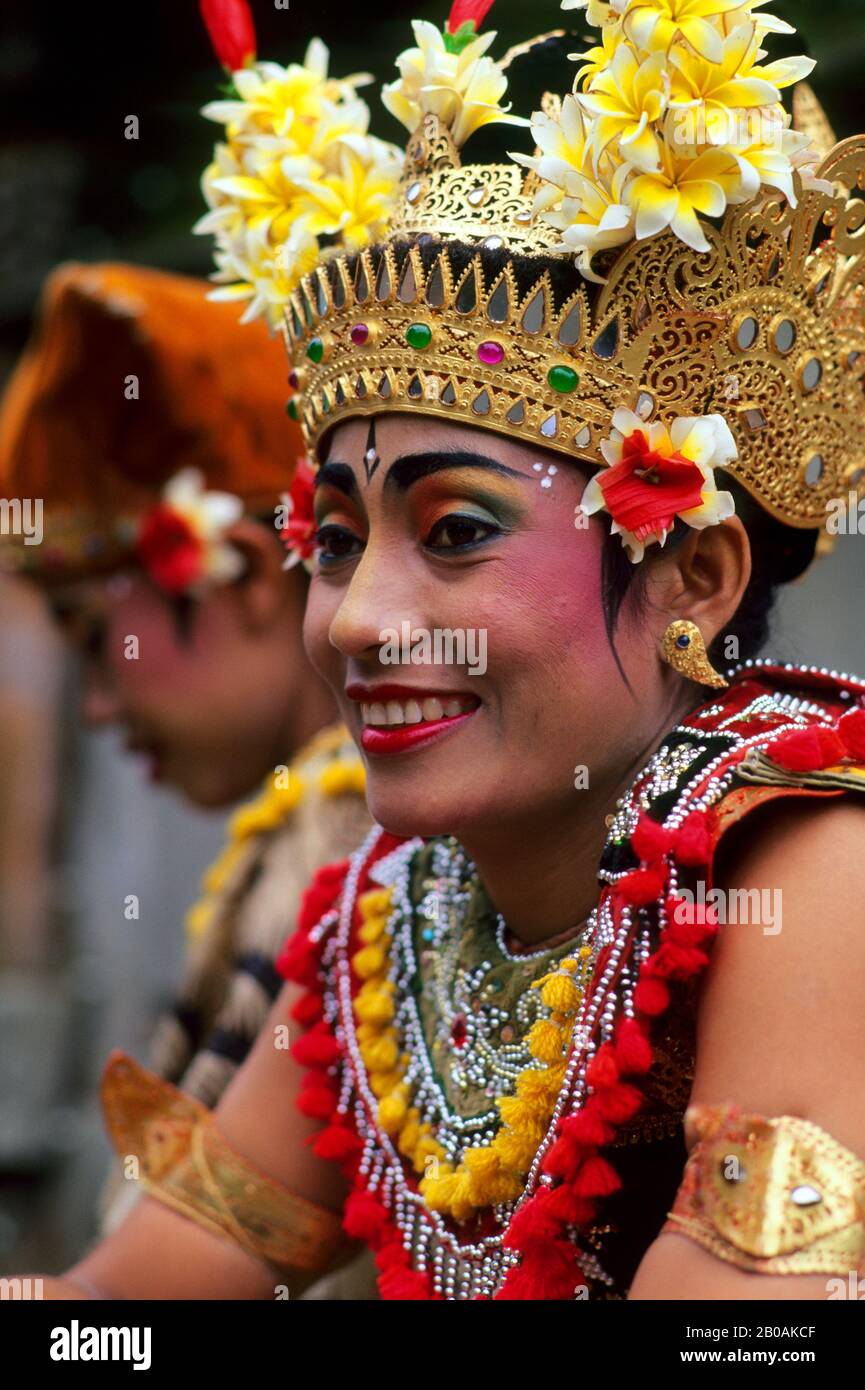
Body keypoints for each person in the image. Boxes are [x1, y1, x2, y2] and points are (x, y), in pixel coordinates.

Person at [26, 0, 865, 1299]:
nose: (354, 617)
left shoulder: (803, 862)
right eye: (341, 538)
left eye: (456, 529)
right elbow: (117, 1315)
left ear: (691, 575)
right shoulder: (398, 914)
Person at [0, 261, 369, 1228]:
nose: (94, 710)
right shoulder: (317, 826)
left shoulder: (354, 847)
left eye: (94, 638)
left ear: (242, 575)